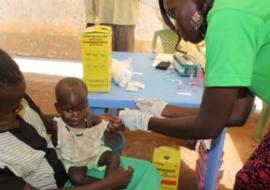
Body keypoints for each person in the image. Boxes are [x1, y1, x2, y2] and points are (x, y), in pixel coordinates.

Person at [119, 0, 270, 189]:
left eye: (173, 13)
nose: (175, 27)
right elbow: (236, 114)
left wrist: (143, 121)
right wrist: (164, 109)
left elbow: (209, 126)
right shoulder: (233, 9)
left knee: (251, 183)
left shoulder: (227, 18)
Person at [0, 48, 161, 190]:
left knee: (148, 172)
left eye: (20, 101)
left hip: (70, 164)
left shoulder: (10, 93)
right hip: (62, 182)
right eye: (10, 110)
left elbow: (43, 121)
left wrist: (95, 120)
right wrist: (108, 184)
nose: (20, 109)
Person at [53, 77, 121, 186]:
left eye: (80, 109)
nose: (75, 115)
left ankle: (109, 182)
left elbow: (103, 122)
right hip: (74, 160)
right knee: (76, 178)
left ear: (86, 106)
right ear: (58, 108)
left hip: (94, 153)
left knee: (114, 157)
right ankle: (106, 185)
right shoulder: (57, 125)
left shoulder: (89, 118)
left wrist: (112, 124)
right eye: (69, 110)